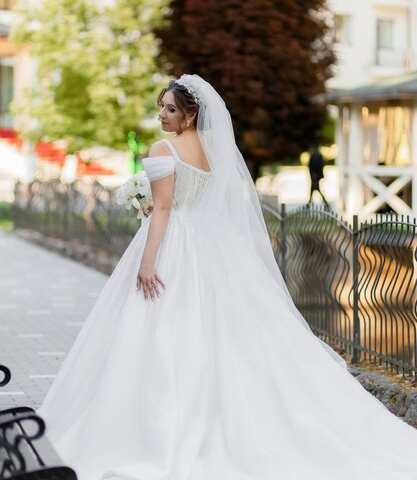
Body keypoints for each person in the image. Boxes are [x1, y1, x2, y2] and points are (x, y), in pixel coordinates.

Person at [37, 74, 417, 480]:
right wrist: (156, 203)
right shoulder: (213, 149)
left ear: (190, 114)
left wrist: (148, 262)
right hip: (211, 241)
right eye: (161, 106)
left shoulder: (161, 148)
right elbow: (197, 198)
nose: (162, 114)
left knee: (160, 325)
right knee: (223, 327)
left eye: (170, 109)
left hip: (176, 243)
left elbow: (164, 210)